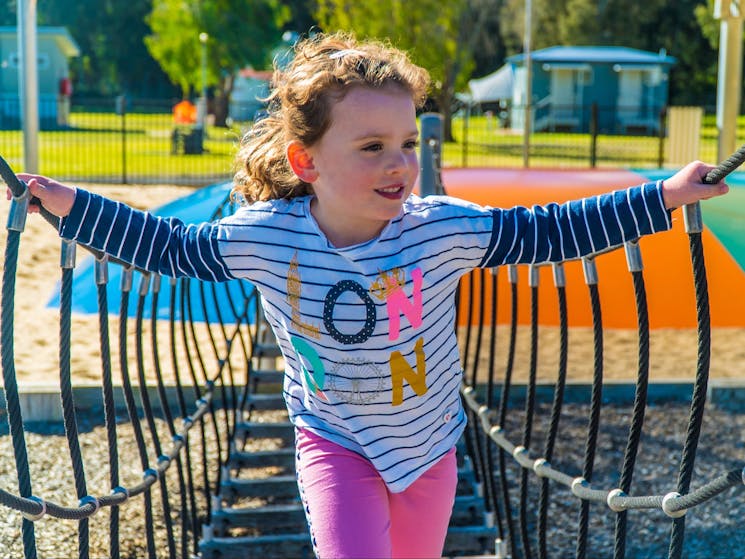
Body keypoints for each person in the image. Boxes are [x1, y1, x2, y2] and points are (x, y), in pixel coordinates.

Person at [15, 32, 727, 559]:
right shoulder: (266, 236)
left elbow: (545, 232)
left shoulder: (439, 228)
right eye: (371, 147)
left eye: (407, 143)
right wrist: (74, 206)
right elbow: (174, 247)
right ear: (306, 162)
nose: (400, 165)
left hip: (429, 447)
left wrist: (660, 196)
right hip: (334, 441)